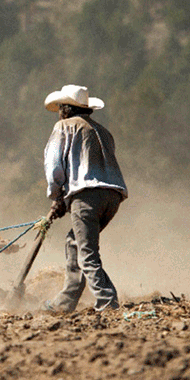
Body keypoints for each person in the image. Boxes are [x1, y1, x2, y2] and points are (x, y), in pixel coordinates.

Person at [40, 84, 128, 313]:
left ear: (67, 109)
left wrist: (57, 196)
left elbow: (54, 165)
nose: (59, 112)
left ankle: (107, 301)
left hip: (86, 195)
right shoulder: (102, 131)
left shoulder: (64, 126)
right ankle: (65, 302)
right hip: (112, 195)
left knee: (87, 253)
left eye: (60, 107)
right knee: (74, 243)